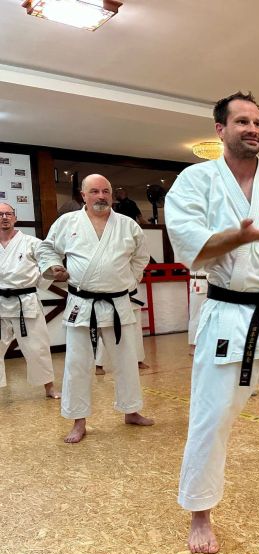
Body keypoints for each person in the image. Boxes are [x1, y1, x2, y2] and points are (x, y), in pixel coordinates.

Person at [165, 91, 259, 554]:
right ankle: (200, 511)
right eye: (241, 122)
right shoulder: (195, 181)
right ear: (220, 129)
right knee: (212, 415)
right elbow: (190, 247)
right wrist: (239, 237)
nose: (252, 129)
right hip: (229, 314)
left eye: (257, 122)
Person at [36, 174, 154, 443]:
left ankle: (131, 410)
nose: (101, 196)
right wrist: (54, 267)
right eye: (94, 191)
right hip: (82, 304)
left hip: (118, 302)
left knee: (126, 361)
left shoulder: (127, 225)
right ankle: (78, 420)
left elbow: (141, 257)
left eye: (105, 191)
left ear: (111, 194)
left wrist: (128, 280)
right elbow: (47, 249)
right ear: (83, 195)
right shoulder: (68, 222)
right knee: (77, 365)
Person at [0, 203, 60, 399]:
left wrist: (51, 272)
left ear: (15, 218)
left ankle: (49, 387)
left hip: (25, 301)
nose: (4, 217)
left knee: (37, 347)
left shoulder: (32, 243)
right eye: (0, 214)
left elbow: (47, 262)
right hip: (0, 302)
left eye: (8, 214)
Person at [95, 287, 149, 372]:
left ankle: (138, 360)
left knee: (136, 331)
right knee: (105, 330)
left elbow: (138, 278)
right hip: (110, 297)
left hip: (132, 295)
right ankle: (99, 365)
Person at [187, 269, 208, 355]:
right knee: (196, 317)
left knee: (204, 317)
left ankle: (202, 345)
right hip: (200, 284)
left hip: (206, 284)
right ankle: (194, 346)